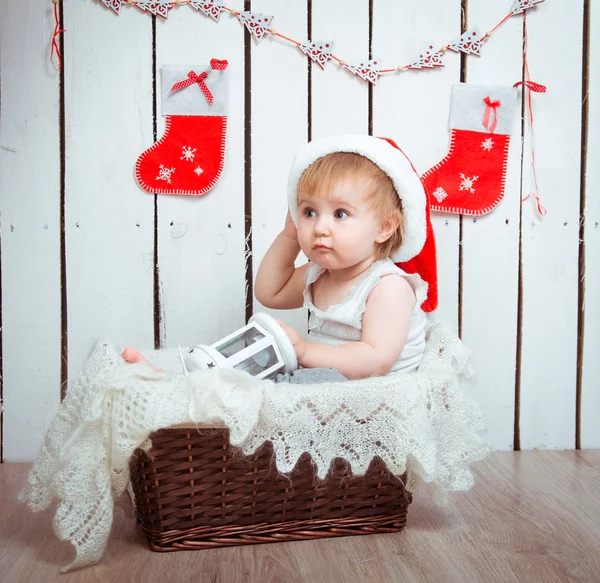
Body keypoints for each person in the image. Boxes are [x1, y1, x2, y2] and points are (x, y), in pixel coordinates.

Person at [255, 134, 438, 380]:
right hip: (334, 386)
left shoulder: (387, 286)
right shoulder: (319, 273)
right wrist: (290, 236)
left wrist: (306, 351)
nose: (320, 227)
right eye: (309, 212)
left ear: (384, 227)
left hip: (379, 396)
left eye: (340, 214)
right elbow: (270, 293)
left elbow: (375, 361)